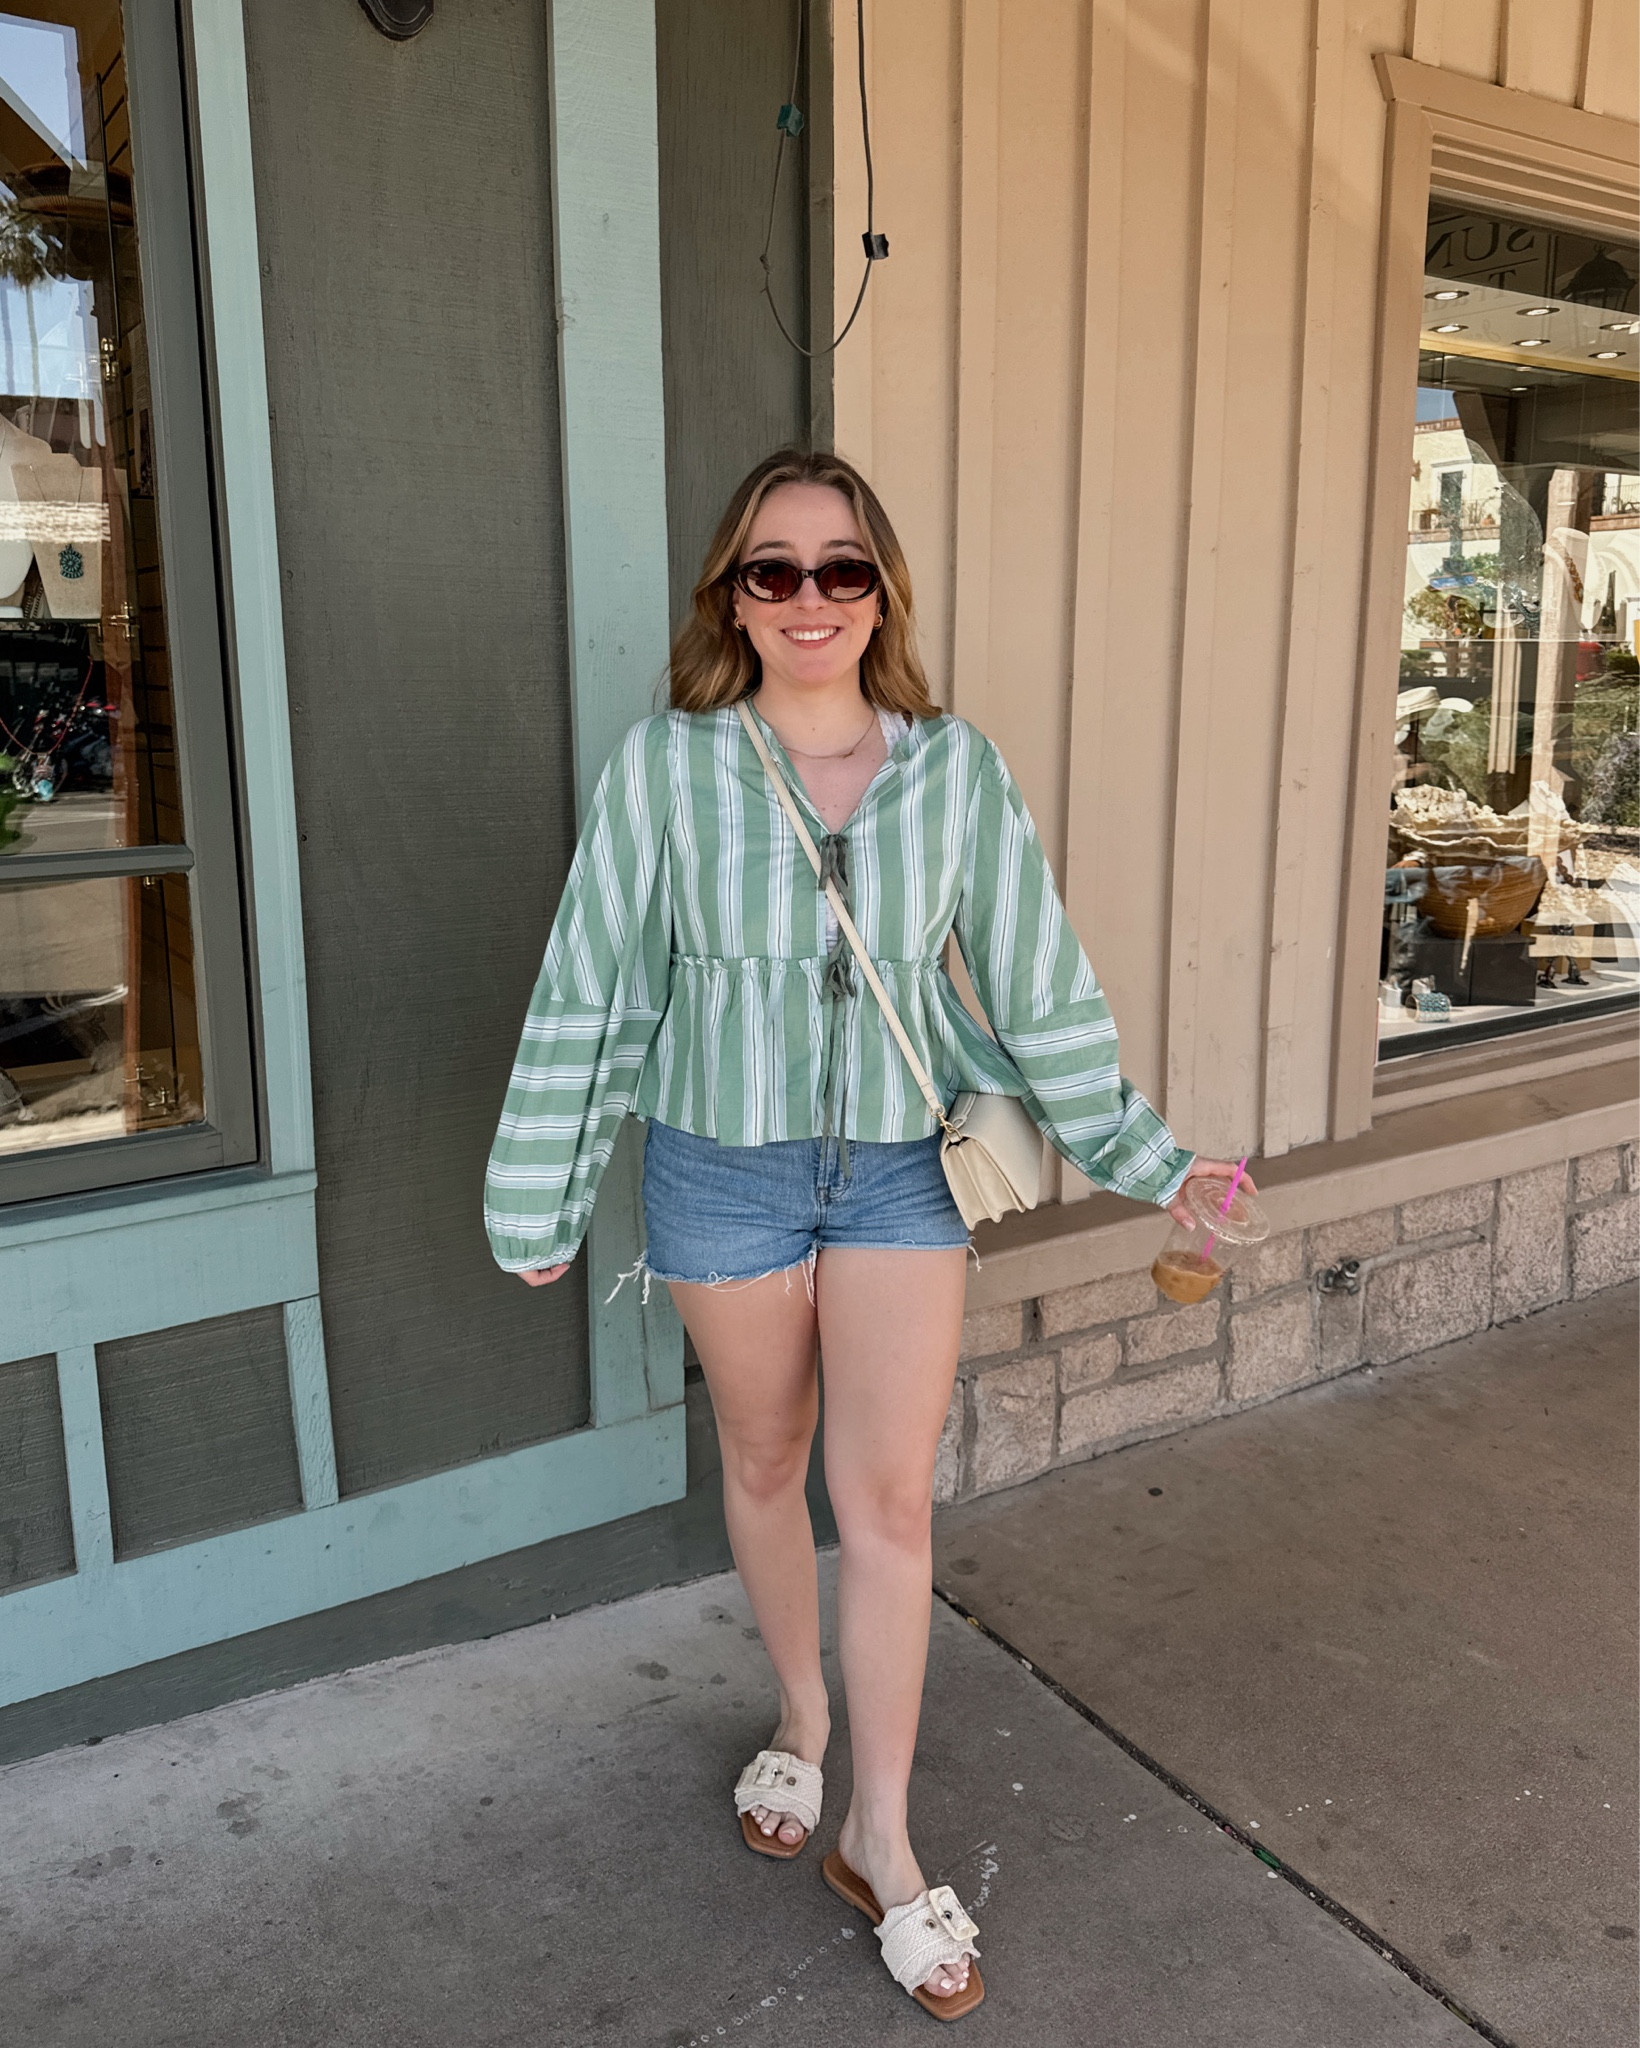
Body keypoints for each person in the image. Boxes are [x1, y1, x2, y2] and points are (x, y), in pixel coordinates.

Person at [484, 448, 1245, 2020]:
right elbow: (594, 984)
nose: (810, 597)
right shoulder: (669, 768)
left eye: (843, 569)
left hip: (904, 1169)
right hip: (721, 1165)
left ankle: (881, 1836)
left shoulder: (953, 770)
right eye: (775, 570)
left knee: (885, 1501)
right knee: (765, 1464)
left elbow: (1038, 989)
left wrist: (1156, 1158)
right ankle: (804, 1711)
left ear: (882, 589)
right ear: (732, 598)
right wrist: (539, 1189)